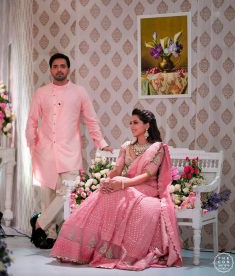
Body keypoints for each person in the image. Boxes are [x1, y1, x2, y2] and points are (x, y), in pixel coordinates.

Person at [51, 108, 182, 270]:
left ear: (147, 126)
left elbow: (148, 175)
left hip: (147, 190)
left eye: (136, 123)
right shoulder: (126, 146)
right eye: (130, 123)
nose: (132, 126)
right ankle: (86, 249)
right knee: (106, 191)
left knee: (117, 188)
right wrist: (108, 179)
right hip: (127, 187)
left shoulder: (157, 148)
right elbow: (117, 171)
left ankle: (110, 250)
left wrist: (121, 184)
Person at [26, 53, 111, 249]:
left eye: (62, 66)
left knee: (68, 192)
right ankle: (50, 236)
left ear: (69, 69)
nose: (59, 70)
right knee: (47, 196)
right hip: (45, 152)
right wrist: (32, 145)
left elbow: (91, 120)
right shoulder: (41, 92)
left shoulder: (79, 92)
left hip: (70, 151)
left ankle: (39, 222)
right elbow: (31, 121)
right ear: (50, 70)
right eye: (55, 66)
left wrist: (101, 143)